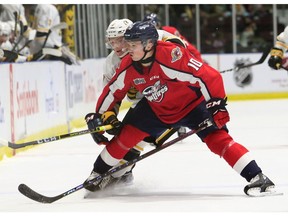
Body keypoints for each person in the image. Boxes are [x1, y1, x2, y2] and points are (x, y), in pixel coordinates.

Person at [83, 21, 277, 196]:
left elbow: (209, 76)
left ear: (148, 44)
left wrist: (216, 106)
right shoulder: (127, 66)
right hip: (156, 108)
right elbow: (112, 92)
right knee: (124, 136)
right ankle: (97, 175)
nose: (127, 49)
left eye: (132, 45)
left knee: (218, 139)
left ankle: (257, 177)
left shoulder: (171, 55)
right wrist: (98, 115)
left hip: (192, 106)